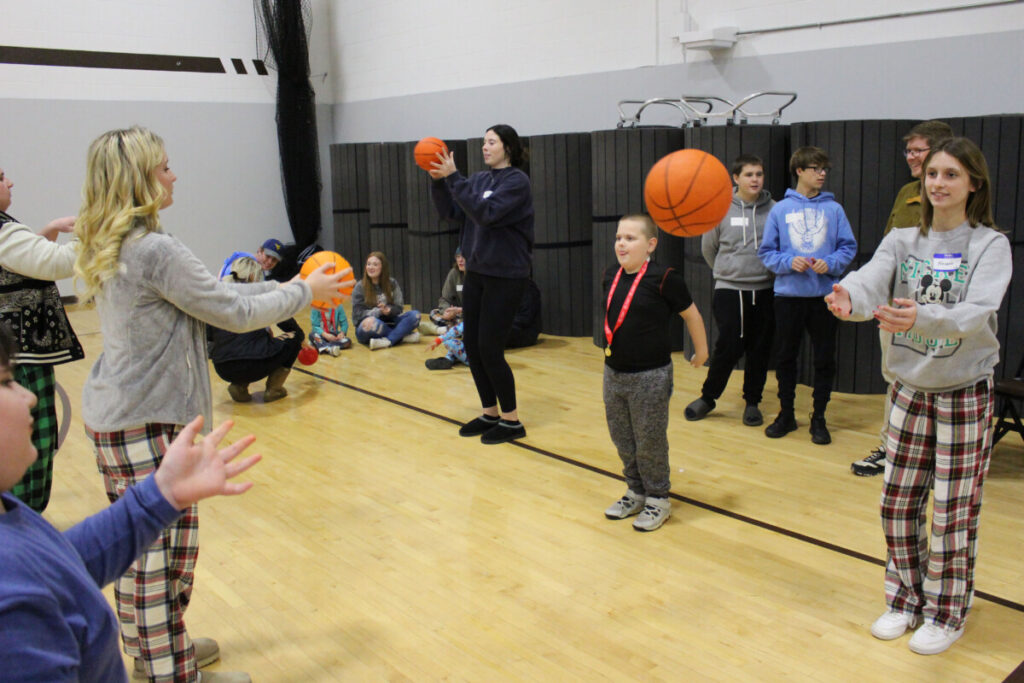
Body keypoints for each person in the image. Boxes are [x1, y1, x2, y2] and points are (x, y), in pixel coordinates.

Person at [72, 126, 351, 683]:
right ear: (140, 177)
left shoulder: (128, 241)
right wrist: (304, 293)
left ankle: (161, 651)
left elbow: (217, 294)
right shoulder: (152, 248)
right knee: (154, 560)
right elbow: (230, 310)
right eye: (165, 166)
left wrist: (292, 282)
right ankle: (168, 672)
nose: (174, 175)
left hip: (132, 416)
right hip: (141, 420)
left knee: (155, 553)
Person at [825, 137, 1010, 655]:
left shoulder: (989, 245)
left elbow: (977, 312)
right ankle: (905, 598)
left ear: (974, 183)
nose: (938, 183)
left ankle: (948, 610)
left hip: (964, 392)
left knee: (953, 509)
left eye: (951, 174)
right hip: (907, 389)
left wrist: (924, 317)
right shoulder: (901, 240)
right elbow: (868, 282)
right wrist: (849, 297)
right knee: (898, 502)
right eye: (932, 174)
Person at [0, 323, 261, 683]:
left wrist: (162, 494)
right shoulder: (11, 616)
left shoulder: (8, 521)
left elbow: (59, 564)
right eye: (5, 382)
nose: (28, 396)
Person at [851, 120, 954, 477]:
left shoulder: (960, 199)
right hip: (899, 306)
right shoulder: (906, 193)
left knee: (942, 379)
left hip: (940, 308)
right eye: (908, 150)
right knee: (895, 377)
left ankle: (941, 451)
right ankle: (891, 447)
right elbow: (886, 253)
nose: (910, 157)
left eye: (918, 150)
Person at [428, 124, 534, 445]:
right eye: (484, 142)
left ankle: (512, 421)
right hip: (477, 273)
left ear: (508, 148)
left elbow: (487, 213)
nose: (485, 147)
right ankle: (490, 412)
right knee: (473, 346)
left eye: (492, 142)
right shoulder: (476, 180)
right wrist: (438, 182)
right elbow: (451, 211)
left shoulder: (517, 181)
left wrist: (455, 178)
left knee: (490, 347)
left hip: (507, 276)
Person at [602, 215, 708, 532]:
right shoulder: (610, 275)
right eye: (619, 237)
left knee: (649, 441)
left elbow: (692, 315)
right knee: (622, 438)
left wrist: (701, 350)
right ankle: (635, 490)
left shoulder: (665, 278)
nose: (622, 243)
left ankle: (659, 498)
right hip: (613, 373)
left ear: (650, 245)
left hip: (650, 376)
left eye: (630, 238)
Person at [757, 146, 857, 445]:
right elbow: (767, 252)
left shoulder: (834, 210)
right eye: (816, 168)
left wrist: (833, 263)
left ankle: (819, 418)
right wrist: (788, 262)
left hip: (825, 297)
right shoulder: (780, 210)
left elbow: (847, 247)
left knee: (825, 359)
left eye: (825, 168)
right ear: (799, 171)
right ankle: (786, 414)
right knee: (786, 357)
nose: (822, 174)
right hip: (788, 296)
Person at [0, 166, 84, 513]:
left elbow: (24, 266)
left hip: (17, 357)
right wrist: (95, 228)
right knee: (29, 440)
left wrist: (47, 231)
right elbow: (60, 263)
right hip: (19, 360)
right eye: (2, 177)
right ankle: (20, 526)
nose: (10, 182)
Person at [685, 154, 776, 427]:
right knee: (730, 345)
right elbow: (708, 249)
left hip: (765, 289)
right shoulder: (720, 208)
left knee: (760, 348)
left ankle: (752, 402)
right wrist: (728, 272)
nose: (755, 179)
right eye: (749, 174)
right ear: (735, 178)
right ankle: (708, 398)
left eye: (759, 174)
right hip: (729, 288)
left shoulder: (775, 209)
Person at [209, 257, 306, 403]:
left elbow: (208, 336)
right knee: (294, 337)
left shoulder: (218, 299)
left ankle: (239, 385)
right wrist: (303, 339)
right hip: (253, 363)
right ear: (254, 276)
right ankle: (274, 389)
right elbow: (284, 319)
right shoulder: (259, 296)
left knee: (246, 348)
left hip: (222, 367)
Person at [350, 251, 421, 350]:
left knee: (415, 315)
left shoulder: (392, 283)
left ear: (382, 267)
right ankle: (401, 336)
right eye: (368, 264)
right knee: (372, 323)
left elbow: (399, 308)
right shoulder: (359, 287)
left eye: (375, 264)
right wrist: (378, 311)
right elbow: (357, 315)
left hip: (390, 322)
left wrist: (388, 310)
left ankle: (388, 341)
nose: (371, 267)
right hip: (368, 326)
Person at [421, 247, 465, 336]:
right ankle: (456, 329)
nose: (460, 260)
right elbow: (444, 299)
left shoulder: (478, 276)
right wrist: (447, 311)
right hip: (457, 315)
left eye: (464, 257)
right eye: (458, 257)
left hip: (472, 314)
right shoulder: (454, 273)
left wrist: (459, 310)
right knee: (434, 313)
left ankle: (440, 330)